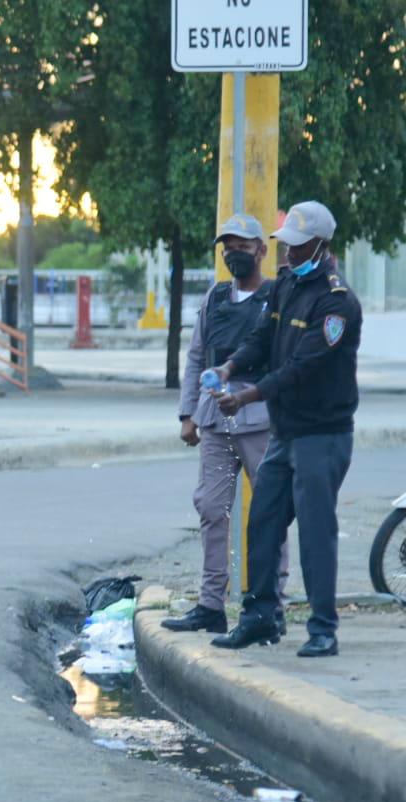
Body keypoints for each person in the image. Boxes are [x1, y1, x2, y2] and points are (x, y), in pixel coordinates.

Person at [210, 200, 362, 658]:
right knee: (264, 519)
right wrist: (231, 366)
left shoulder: (337, 303)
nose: (288, 254)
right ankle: (260, 618)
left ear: (320, 244)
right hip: (288, 432)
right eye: (286, 245)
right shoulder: (284, 288)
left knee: (316, 533)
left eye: (297, 247)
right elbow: (262, 340)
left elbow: (302, 368)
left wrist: (247, 396)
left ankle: (323, 630)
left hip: (323, 434)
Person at [163, 214, 289, 635]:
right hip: (216, 422)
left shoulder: (277, 298)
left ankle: (274, 604)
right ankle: (210, 604)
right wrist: (187, 414)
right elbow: (197, 357)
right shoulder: (215, 298)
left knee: (270, 513)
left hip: (261, 422)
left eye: (242, 245)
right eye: (227, 246)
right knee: (211, 509)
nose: (234, 252)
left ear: (261, 250)